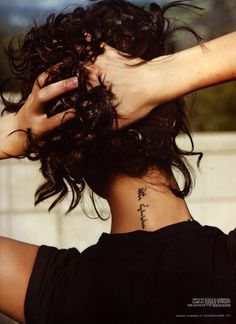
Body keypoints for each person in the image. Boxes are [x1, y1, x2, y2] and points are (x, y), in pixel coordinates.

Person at [0, 0, 235, 323]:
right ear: (172, 114)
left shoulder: (55, 293)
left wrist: (11, 132)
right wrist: (163, 77)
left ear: (61, 154)